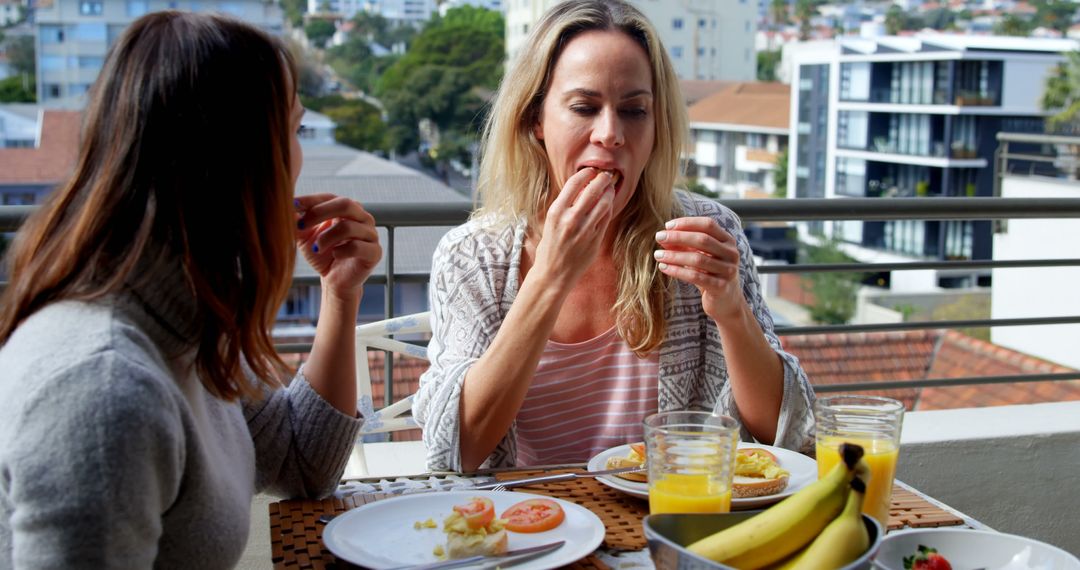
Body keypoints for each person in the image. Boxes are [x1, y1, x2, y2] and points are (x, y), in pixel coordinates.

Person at [0, 12, 381, 568]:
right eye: (293, 131)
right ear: (237, 160)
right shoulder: (105, 390)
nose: (300, 158)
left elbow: (302, 462)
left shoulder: (181, 321)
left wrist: (341, 295)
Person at [413, 0, 815, 473]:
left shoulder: (705, 234)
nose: (611, 134)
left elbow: (788, 435)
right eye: (584, 107)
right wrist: (549, 279)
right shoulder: (473, 256)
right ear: (535, 120)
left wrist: (732, 312)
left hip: (668, 517)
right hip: (528, 527)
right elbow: (452, 452)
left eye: (634, 110)